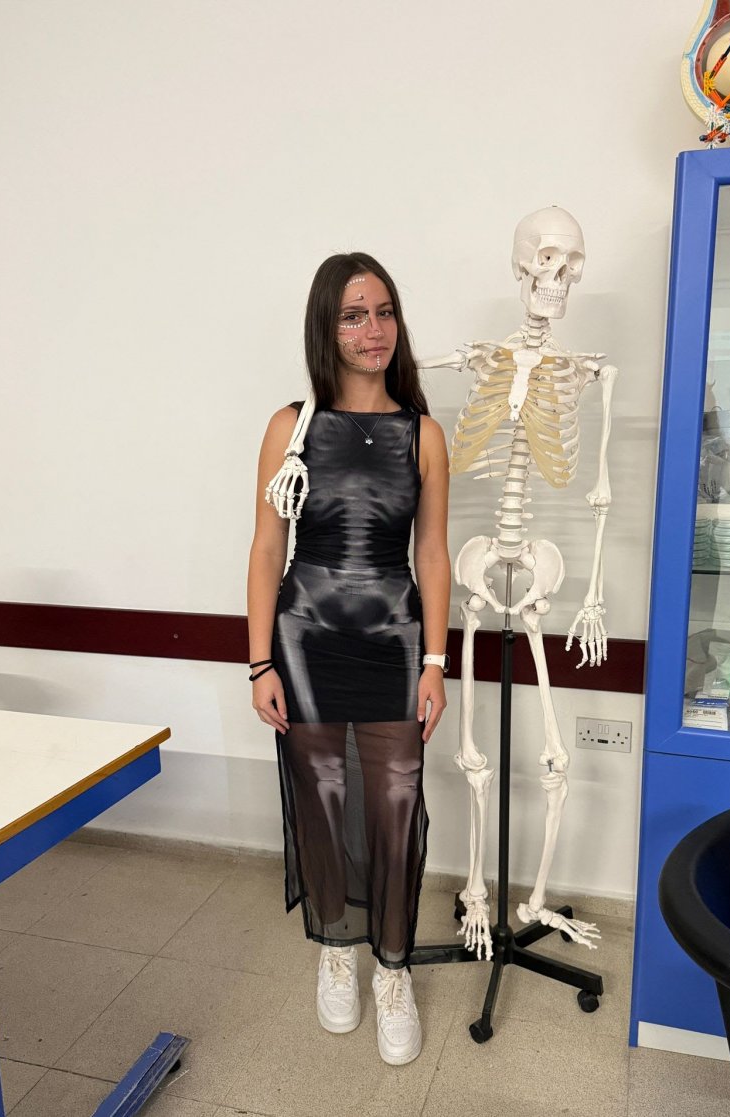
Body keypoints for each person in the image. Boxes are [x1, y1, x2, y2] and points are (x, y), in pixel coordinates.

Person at [246, 252, 450, 1066]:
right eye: (354, 315)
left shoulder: (423, 434)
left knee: (396, 804)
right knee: (321, 798)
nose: (374, 329)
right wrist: (259, 663)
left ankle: (392, 968)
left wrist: (436, 660)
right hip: (305, 638)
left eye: (385, 311)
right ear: (325, 328)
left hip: (395, 640)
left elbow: (431, 552)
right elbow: (267, 549)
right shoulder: (290, 426)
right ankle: (337, 948)